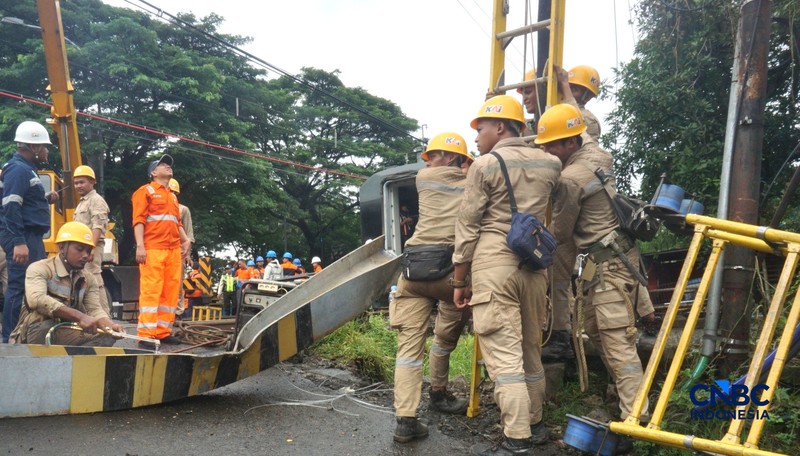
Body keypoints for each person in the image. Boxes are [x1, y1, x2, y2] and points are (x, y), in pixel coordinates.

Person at [536, 103, 652, 451]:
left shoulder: (571, 180)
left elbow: (562, 232)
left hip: (609, 266)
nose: (546, 151)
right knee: (601, 335)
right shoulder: (598, 154)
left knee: (617, 343)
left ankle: (636, 422)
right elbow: (584, 126)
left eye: (552, 146)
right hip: (613, 260)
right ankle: (624, 406)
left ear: (571, 143)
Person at [452, 96, 561, 455]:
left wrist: (459, 279)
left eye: (481, 129)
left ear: (500, 126)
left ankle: (517, 439)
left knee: (504, 357)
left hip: (495, 265)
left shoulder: (484, 165)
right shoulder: (551, 164)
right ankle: (536, 423)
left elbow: (467, 226)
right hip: (534, 266)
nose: (477, 138)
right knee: (531, 350)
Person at [391, 131, 473, 444]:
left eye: (434, 155)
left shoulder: (422, 179)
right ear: (460, 159)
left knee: (408, 350)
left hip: (413, 271)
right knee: (443, 337)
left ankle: (406, 419)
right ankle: (438, 392)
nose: (431, 161)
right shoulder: (471, 182)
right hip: (451, 273)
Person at [9, 222, 122, 346]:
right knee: (45, 326)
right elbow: (36, 300)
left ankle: (72, 363)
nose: (85, 255)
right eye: (79, 249)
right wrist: (80, 317)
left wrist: (109, 325)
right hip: (35, 333)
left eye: (88, 251)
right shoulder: (39, 268)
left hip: (67, 330)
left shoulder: (89, 278)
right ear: (62, 248)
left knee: (107, 336)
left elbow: (95, 309)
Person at [1, 121, 60, 342]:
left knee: (31, 283)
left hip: (28, 235)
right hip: (23, 236)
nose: (46, 151)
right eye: (44, 146)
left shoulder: (25, 170)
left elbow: (23, 203)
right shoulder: (18, 169)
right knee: (19, 285)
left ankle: (21, 335)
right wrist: (18, 241)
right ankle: (9, 339)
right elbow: (11, 206)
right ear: (33, 147)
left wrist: (46, 199)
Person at [131, 154, 191, 347]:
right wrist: (140, 246)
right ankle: (146, 334)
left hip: (173, 250)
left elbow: (177, 223)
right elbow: (138, 220)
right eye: (163, 165)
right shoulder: (145, 191)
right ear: (153, 173)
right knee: (151, 290)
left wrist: (186, 240)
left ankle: (162, 331)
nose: (168, 167)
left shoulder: (172, 196)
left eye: (169, 165)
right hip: (153, 249)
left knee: (170, 292)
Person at [72, 165, 111, 315]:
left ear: (92, 182)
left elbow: (98, 226)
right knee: (84, 281)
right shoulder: (83, 202)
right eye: (76, 183)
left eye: (82, 182)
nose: (78, 186)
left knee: (94, 280)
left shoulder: (96, 200)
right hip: (83, 248)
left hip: (91, 247)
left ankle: (104, 317)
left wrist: (91, 248)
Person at [169, 178, 194, 319]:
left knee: (177, 283)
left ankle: (177, 311)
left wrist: (187, 254)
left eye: (173, 191)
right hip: (162, 249)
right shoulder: (158, 206)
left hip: (178, 251)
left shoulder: (183, 210)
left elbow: (188, 235)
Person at [568, 65, 602, 141]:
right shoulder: (552, 109)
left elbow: (589, 151)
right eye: (567, 86)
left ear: (587, 96)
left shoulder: (588, 120)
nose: (566, 91)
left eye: (573, 89)